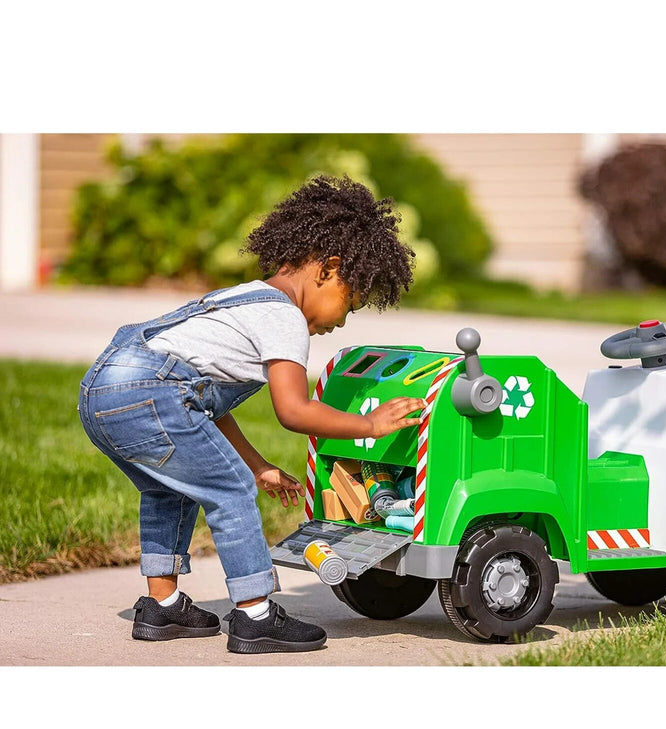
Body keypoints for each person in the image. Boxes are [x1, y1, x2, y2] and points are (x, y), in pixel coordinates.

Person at [78, 175, 425, 655]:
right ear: (328, 269)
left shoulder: (243, 297)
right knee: (230, 490)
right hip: (151, 389)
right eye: (350, 302)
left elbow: (201, 404)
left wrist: (258, 464)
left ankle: (163, 605)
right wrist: (370, 424)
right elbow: (294, 411)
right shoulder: (284, 316)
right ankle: (255, 614)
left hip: (104, 390)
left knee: (170, 488)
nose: (342, 320)